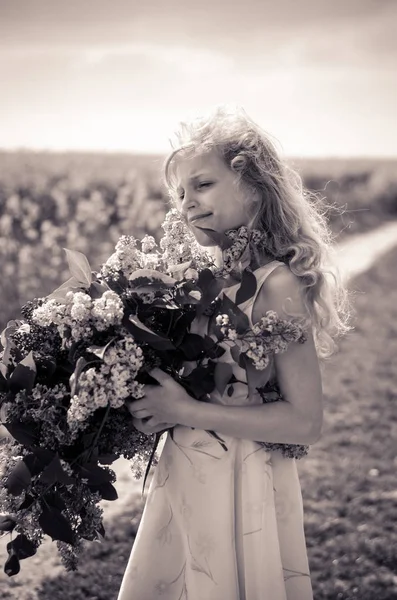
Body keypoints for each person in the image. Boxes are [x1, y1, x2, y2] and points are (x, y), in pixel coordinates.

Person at [117, 106, 350, 600]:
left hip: (241, 483)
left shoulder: (277, 283)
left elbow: (305, 421)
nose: (187, 203)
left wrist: (182, 409)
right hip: (186, 471)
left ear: (253, 185)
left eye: (202, 185)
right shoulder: (198, 281)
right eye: (180, 193)